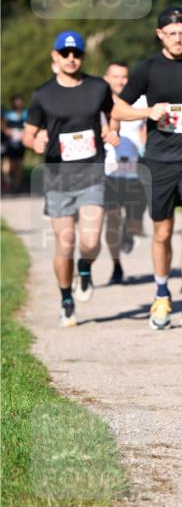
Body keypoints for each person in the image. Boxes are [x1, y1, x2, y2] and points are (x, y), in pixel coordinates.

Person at [111, 7, 182, 330]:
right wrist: (148, 112)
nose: (178, 39)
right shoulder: (148, 69)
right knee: (163, 231)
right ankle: (160, 294)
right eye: (172, 33)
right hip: (158, 159)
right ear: (160, 35)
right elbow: (117, 107)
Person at [22, 31, 119, 326]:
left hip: (92, 172)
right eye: (65, 54)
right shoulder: (43, 94)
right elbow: (28, 132)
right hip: (58, 178)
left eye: (76, 53)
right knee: (64, 243)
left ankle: (85, 268)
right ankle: (66, 297)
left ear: (82, 56)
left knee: (90, 241)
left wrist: (112, 129)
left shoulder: (98, 87)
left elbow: (113, 113)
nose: (71, 58)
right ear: (55, 57)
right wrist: (34, 142)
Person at [103, 61, 148, 285]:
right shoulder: (99, 103)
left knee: (135, 223)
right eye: (115, 77)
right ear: (106, 79)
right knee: (112, 220)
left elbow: (148, 127)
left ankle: (129, 232)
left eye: (123, 77)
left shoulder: (140, 102)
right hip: (108, 171)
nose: (120, 81)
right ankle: (116, 266)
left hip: (135, 171)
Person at [1, 95, 28, 192]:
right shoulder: (7, 114)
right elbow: (2, 124)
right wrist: (6, 130)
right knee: (9, 164)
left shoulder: (25, 114)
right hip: (9, 143)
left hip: (21, 143)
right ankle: (7, 182)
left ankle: (17, 185)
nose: (18, 104)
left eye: (20, 102)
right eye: (16, 102)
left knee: (19, 164)